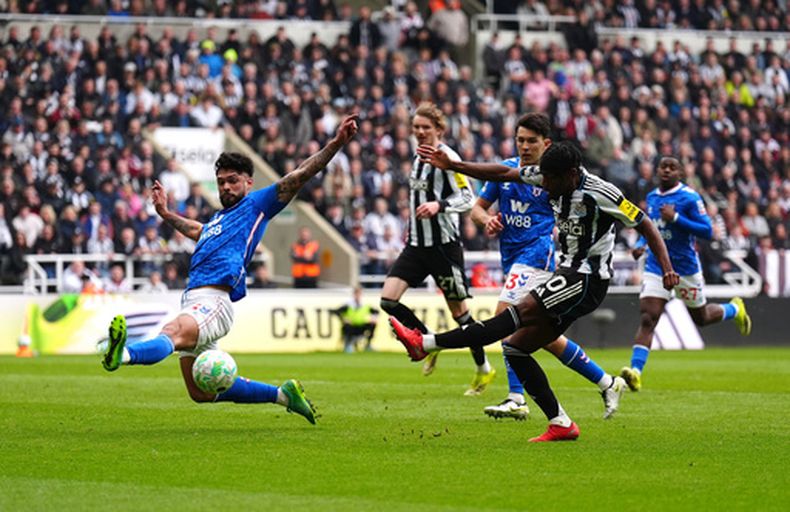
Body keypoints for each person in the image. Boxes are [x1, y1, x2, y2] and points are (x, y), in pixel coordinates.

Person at [392, 141, 679, 442]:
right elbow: (502, 172)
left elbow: (646, 224)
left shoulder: (601, 192)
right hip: (566, 272)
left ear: (571, 174)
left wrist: (667, 268)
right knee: (515, 348)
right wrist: (455, 165)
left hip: (586, 278)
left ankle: (425, 343)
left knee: (510, 318)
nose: (545, 186)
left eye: (551, 180)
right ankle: (561, 422)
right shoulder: (548, 175)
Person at [101, 114, 359, 425]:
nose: (225, 186)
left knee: (171, 332)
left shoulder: (257, 205)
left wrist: (336, 143)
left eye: (233, 180)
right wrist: (166, 214)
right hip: (194, 301)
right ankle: (283, 395)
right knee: (199, 392)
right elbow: (198, 230)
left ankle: (122, 355)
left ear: (249, 182)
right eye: (221, 181)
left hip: (215, 302)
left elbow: (301, 174)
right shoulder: (218, 220)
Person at [471, 113, 625, 421]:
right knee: (544, 338)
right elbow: (477, 208)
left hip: (538, 253)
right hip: (511, 256)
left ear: (546, 144)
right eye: (520, 140)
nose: (525, 146)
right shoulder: (507, 171)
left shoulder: (554, 176)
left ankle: (517, 398)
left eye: (531, 141)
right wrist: (486, 220)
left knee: (505, 316)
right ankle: (607, 382)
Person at [379, 102, 496, 396]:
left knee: (461, 315)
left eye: (426, 127)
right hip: (416, 246)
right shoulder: (418, 157)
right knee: (388, 300)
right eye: (416, 127)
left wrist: (439, 205)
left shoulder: (448, 158)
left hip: (443, 247)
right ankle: (427, 341)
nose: (420, 132)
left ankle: (483, 368)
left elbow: (468, 198)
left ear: (439, 130)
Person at [620, 156, 752, 392]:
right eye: (663, 167)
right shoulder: (652, 197)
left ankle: (734, 309)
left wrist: (676, 218)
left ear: (680, 173)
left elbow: (708, 231)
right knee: (648, 318)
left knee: (701, 318)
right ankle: (636, 372)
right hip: (657, 267)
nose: (667, 171)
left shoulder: (690, 197)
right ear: (657, 171)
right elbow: (651, 228)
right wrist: (641, 244)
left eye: (672, 168)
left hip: (685, 269)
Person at [332, 286, 379, 353]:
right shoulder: (348, 305)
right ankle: (348, 345)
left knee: (373, 324)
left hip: (361, 325)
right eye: (356, 294)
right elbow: (336, 311)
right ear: (353, 294)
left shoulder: (364, 304)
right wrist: (343, 319)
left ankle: (368, 345)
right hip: (351, 326)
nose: (358, 296)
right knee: (346, 326)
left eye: (359, 294)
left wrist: (373, 318)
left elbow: (376, 311)